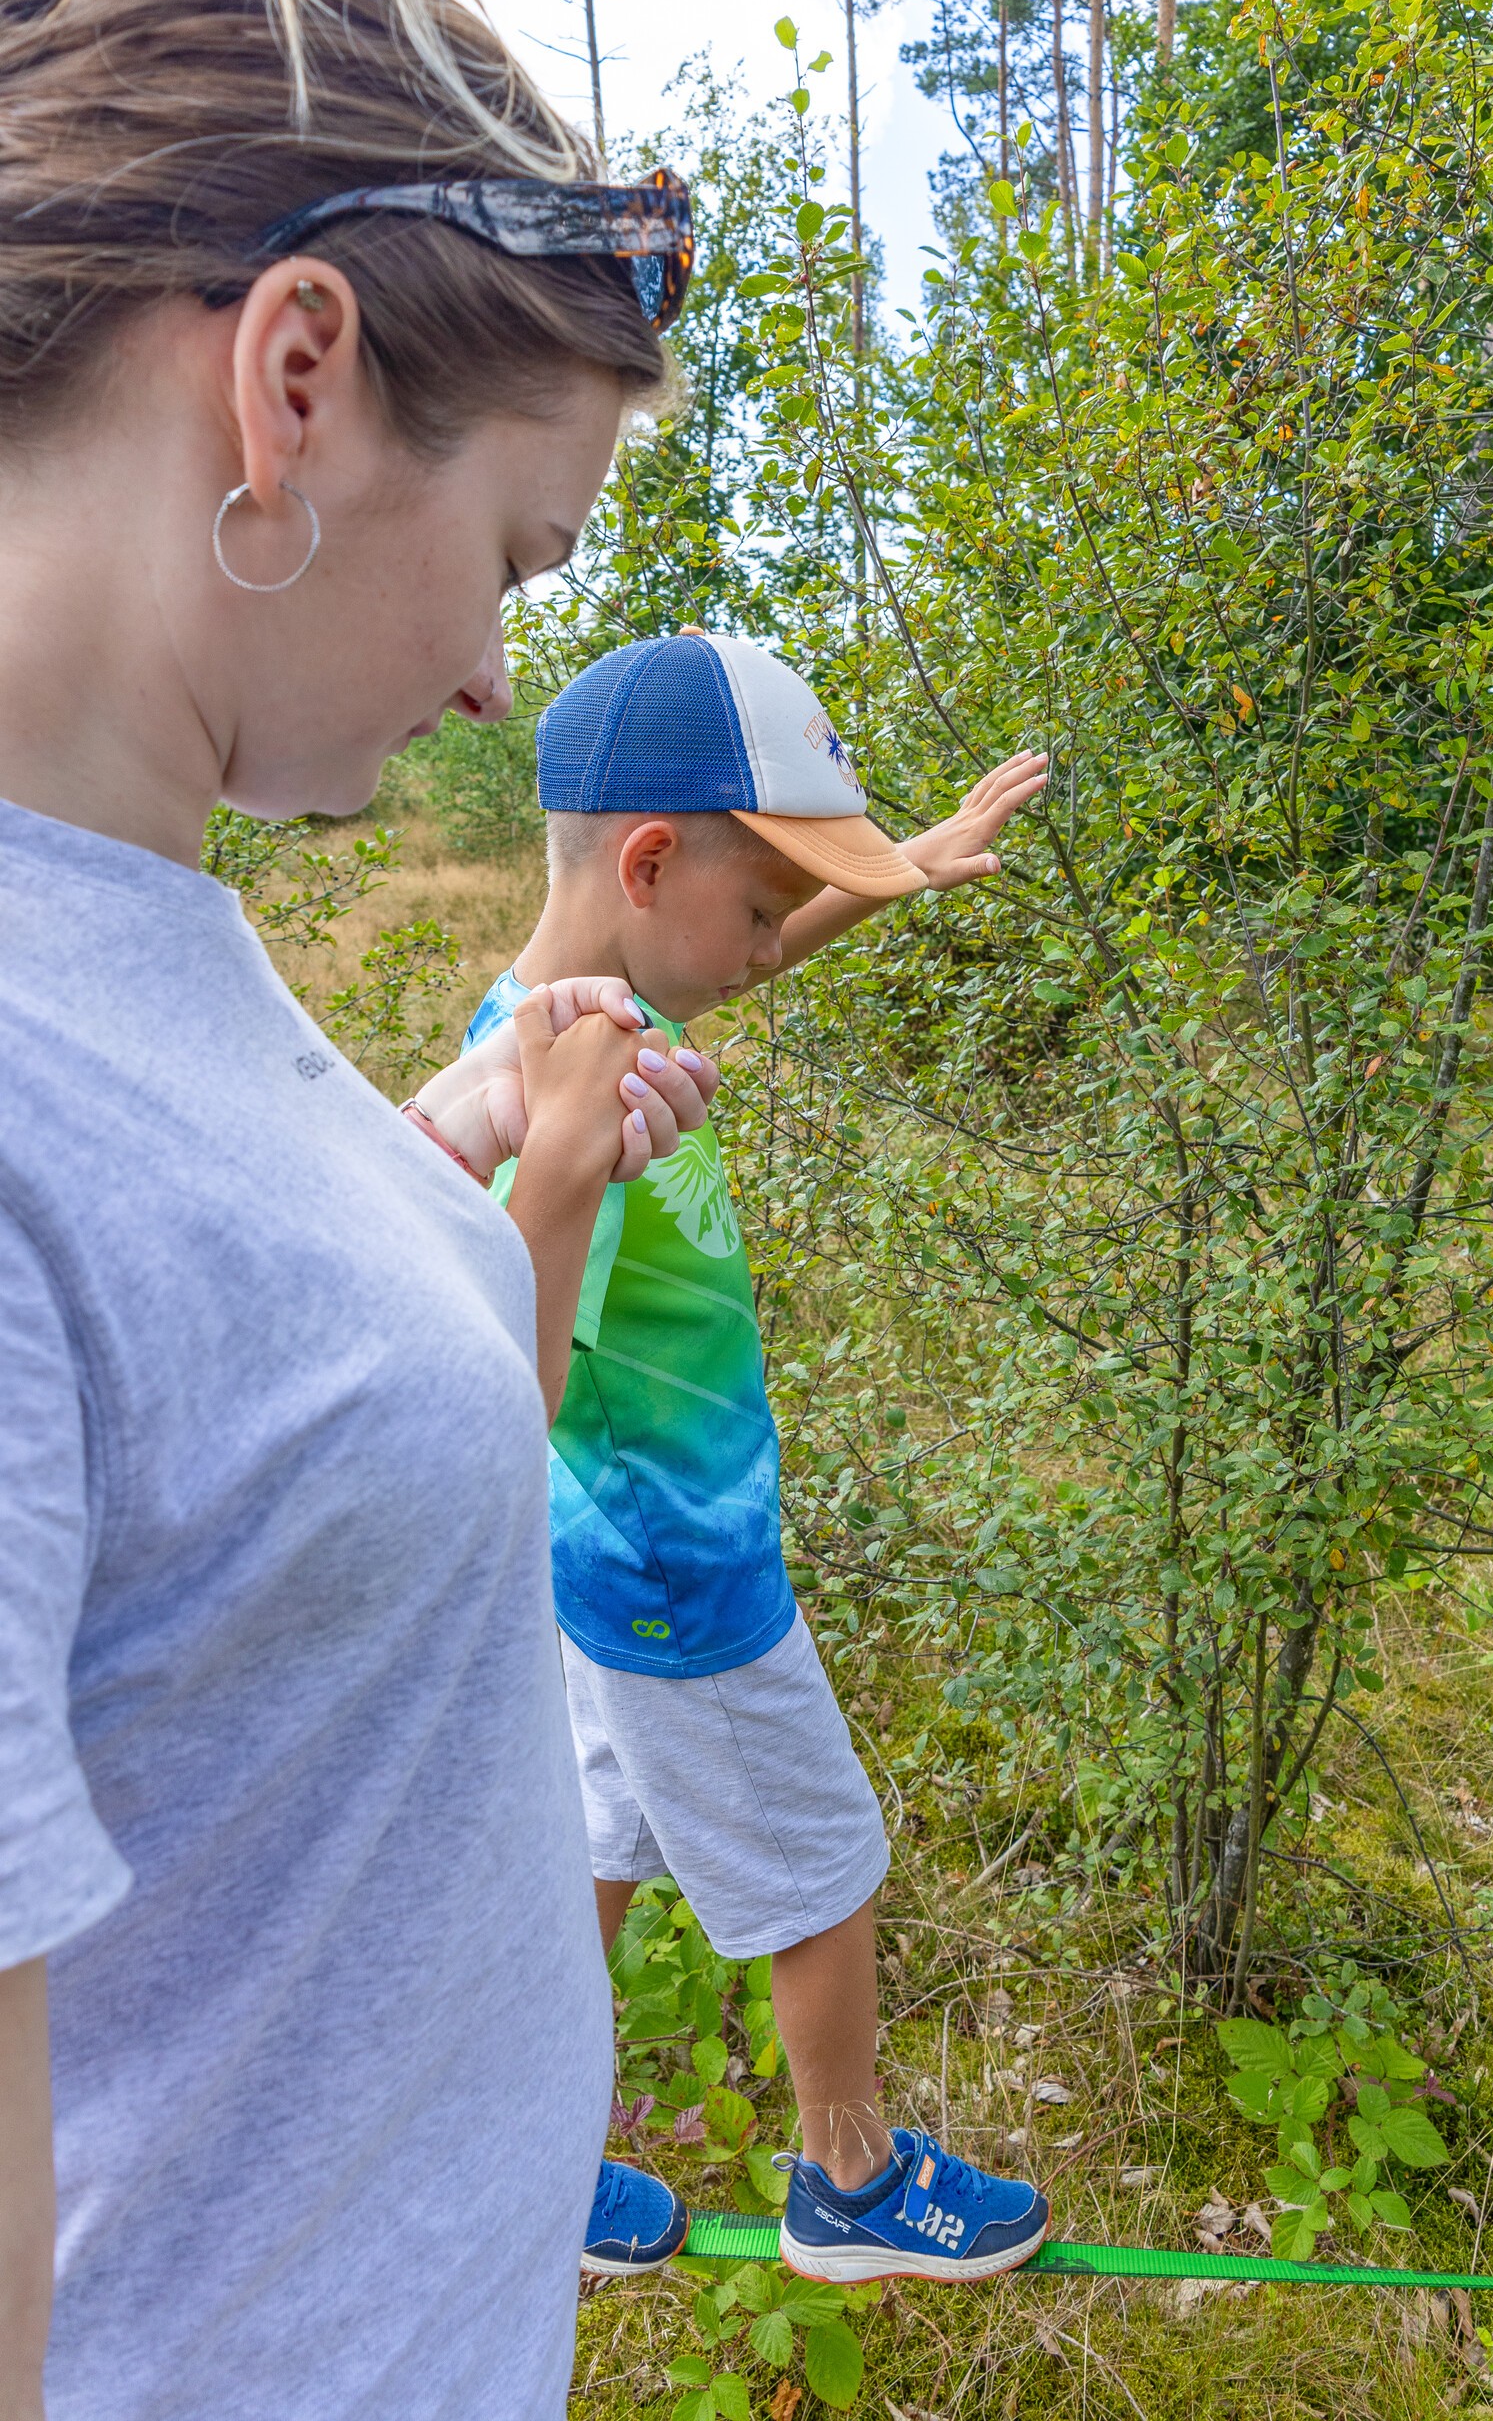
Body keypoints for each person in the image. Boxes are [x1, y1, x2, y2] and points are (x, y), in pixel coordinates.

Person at [0, 0, 716, 2413]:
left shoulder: (142, 935)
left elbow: (245, 1529)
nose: (498, 669)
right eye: (517, 549)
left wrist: (480, 1175)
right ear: (293, 379)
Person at [464, 628, 1053, 2284]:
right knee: (823, 1863)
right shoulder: (556, 1106)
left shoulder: (572, 1019)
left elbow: (736, 958)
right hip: (682, 1572)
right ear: (650, 865)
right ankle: (849, 2182)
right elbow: (503, 1371)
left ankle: (514, 2152)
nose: (770, 948)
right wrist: (561, 1180)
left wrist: (898, 870)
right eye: (764, 905)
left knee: (596, 1847)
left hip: (607, 1566)